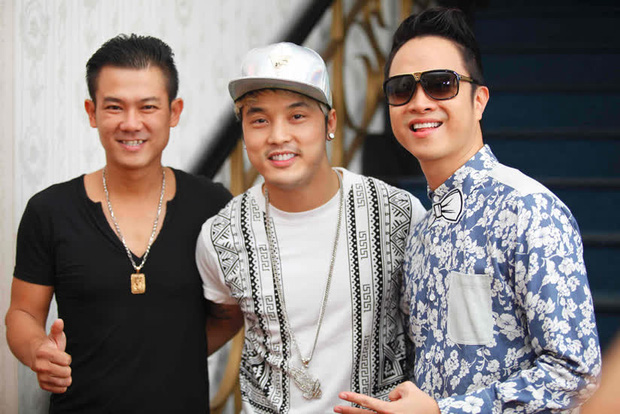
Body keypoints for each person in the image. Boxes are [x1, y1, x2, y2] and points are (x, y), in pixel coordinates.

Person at [335, 8, 601, 413]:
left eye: (440, 84)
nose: (419, 102)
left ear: (479, 101)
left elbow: (576, 376)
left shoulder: (527, 209)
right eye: (402, 89)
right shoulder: (421, 232)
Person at [196, 41, 427, 413]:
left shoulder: (397, 213)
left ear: (330, 123)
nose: (278, 136)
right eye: (259, 120)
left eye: (297, 116)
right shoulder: (222, 236)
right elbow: (223, 319)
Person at [4, 34, 231, 413]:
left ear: (174, 112)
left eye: (148, 107)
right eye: (114, 107)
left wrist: (173, 357)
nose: (131, 123)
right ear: (92, 112)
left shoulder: (213, 206)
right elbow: (23, 313)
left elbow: (230, 314)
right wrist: (37, 350)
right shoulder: (50, 211)